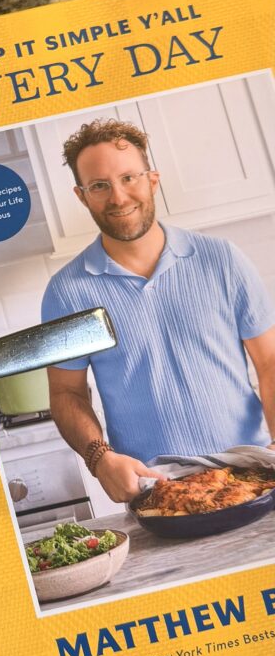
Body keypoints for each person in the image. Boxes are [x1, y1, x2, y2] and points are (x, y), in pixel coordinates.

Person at [41, 118, 275, 503]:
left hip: (252, 476)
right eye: (99, 185)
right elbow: (67, 393)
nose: (118, 197)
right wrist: (100, 460)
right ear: (82, 196)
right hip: (154, 489)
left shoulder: (221, 259)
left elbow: (268, 363)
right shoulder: (67, 292)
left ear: (152, 179)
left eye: (129, 178)